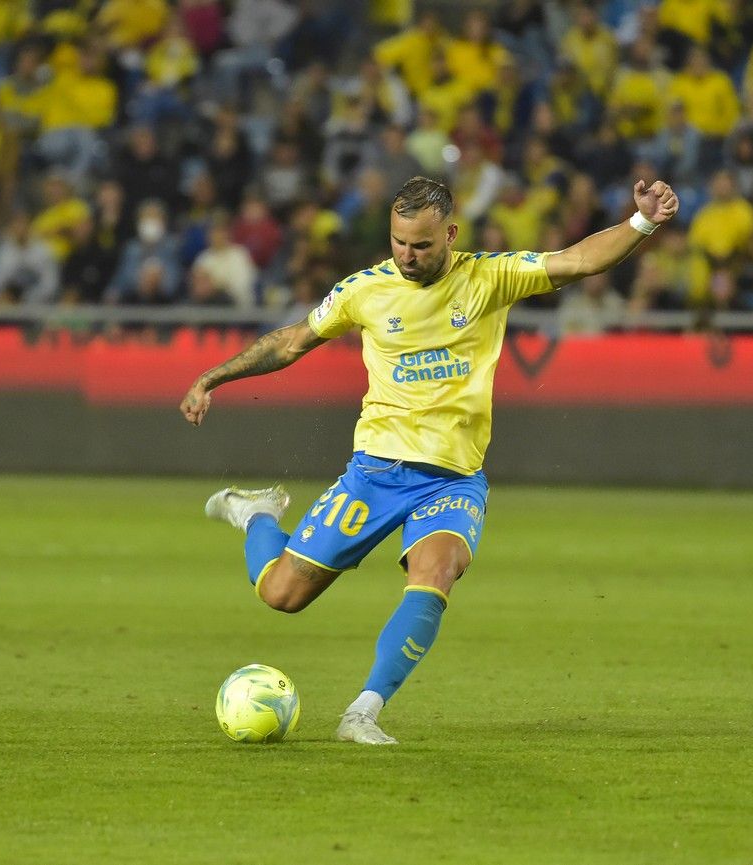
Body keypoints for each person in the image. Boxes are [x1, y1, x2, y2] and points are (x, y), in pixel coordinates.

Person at [179, 175, 679, 744]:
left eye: (421, 244)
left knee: (436, 574)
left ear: (450, 234)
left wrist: (642, 223)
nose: (407, 256)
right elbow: (291, 341)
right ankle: (259, 515)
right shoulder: (363, 290)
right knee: (282, 595)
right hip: (376, 473)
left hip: (453, 481)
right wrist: (214, 376)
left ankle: (362, 712)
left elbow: (579, 261)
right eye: (398, 242)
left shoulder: (488, 277)